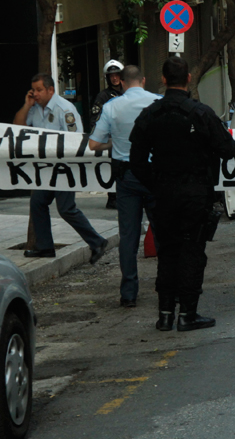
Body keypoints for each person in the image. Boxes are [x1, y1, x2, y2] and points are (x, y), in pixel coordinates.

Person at [131, 57, 235, 332]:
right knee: (191, 251)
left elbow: (136, 159)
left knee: (167, 251)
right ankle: (187, 314)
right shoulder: (200, 113)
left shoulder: (150, 114)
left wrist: (155, 183)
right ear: (189, 78)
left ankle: (165, 313)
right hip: (194, 192)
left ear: (163, 79)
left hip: (164, 192)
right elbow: (227, 148)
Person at [14, 73, 109, 262]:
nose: (36, 94)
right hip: (48, 168)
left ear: (51, 90)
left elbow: (75, 141)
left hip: (65, 167)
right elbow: (18, 127)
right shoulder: (35, 109)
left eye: (40, 90)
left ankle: (97, 241)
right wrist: (27, 105)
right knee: (38, 203)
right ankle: (45, 247)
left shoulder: (64, 109)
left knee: (66, 208)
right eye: (34, 90)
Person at [88, 65, 160, 307]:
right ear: (143, 80)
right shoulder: (158, 102)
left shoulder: (111, 107)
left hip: (127, 177)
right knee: (161, 231)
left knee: (128, 236)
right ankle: (165, 284)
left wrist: (116, 144)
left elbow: (94, 145)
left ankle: (129, 293)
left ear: (123, 83)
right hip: (154, 175)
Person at [92, 59, 125, 209]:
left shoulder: (129, 93)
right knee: (113, 169)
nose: (114, 78)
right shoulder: (103, 97)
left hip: (129, 140)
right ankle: (113, 197)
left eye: (117, 74)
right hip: (112, 141)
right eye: (111, 75)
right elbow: (95, 119)